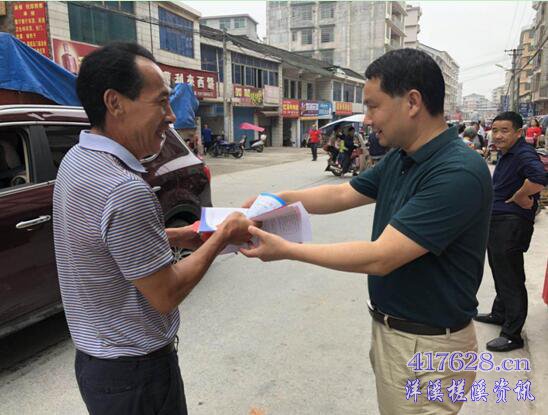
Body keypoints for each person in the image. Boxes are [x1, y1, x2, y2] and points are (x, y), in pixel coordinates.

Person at [240, 48, 493, 415]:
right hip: (399, 336)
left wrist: (286, 249)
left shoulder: (457, 172)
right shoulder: (402, 157)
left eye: (373, 106)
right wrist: (275, 200)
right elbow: (342, 193)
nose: (368, 119)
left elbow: (381, 257)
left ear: (412, 102)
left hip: (428, 347)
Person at [52, 43, 255, 415]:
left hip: (98, 365)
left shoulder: (77, 161)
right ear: (115, 103)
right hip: (137, 377)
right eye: (161, 102)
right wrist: (224, 235)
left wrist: (179, 235)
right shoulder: (124, 187)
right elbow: (166, 292)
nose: (172, 116)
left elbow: (102, 243)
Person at [474, 111, 546, 352]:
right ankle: (500, 313)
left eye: (504, 131)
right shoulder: (508, 153)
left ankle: (512, 334)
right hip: (498, 221)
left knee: (511, 277)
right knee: (499, 270)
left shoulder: (523, 152)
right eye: (495, 130)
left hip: (510, 224)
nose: (498, 135)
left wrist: (521, 195)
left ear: (518, 132)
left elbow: (539, 178)